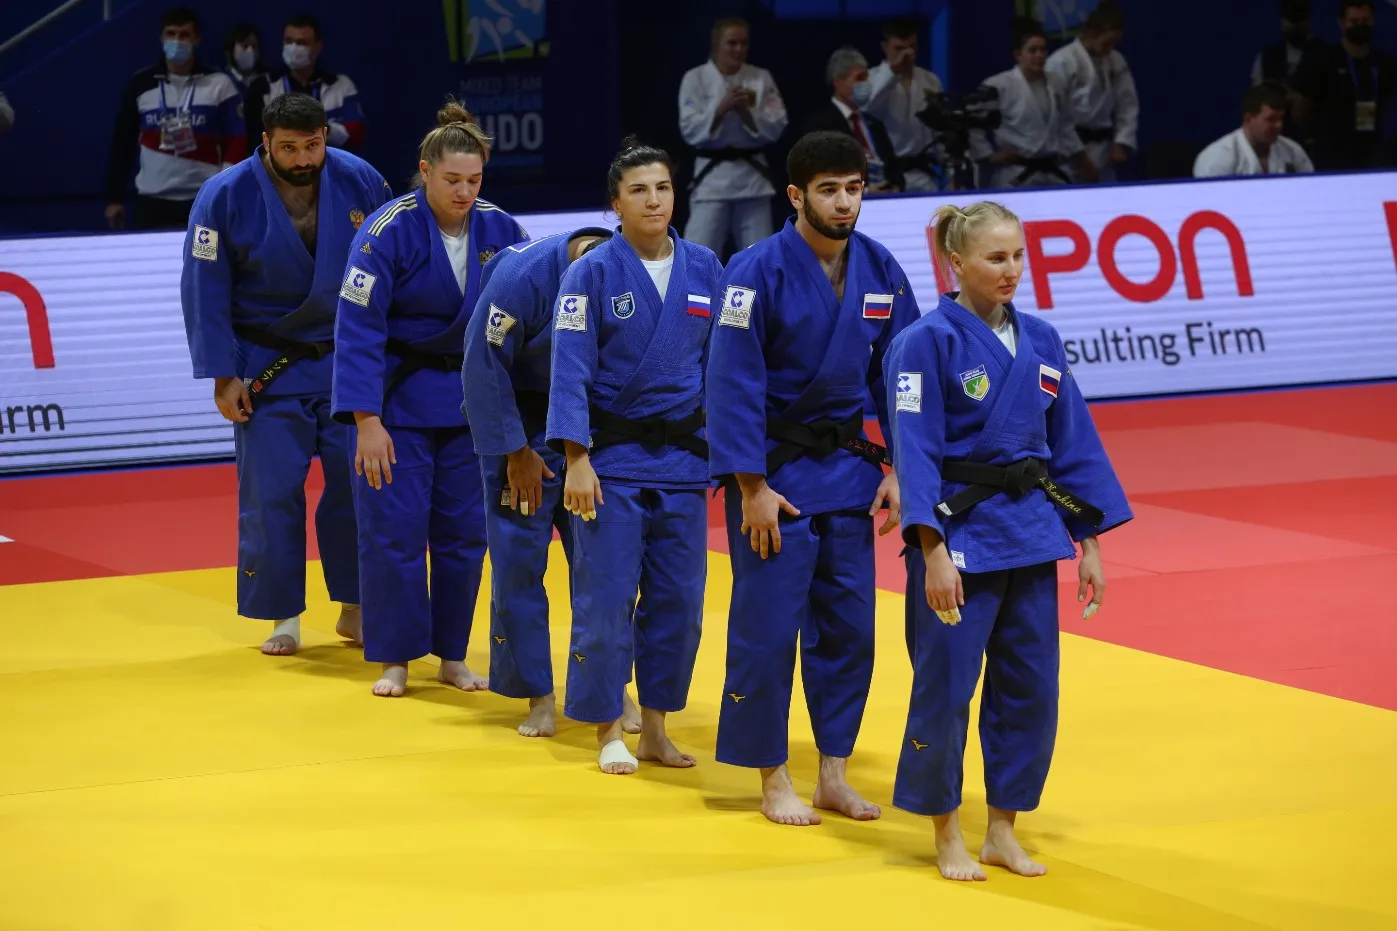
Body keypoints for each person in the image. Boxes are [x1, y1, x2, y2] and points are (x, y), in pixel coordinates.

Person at [884, 201, 1132, 881]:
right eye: (995, 257)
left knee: (1030, 690)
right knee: (946, 688)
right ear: (955, 262)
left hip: (1030, 531)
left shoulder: (1041, 338)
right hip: (958, 534)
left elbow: (1071, 441)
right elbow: (913, 449)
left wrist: (1089, 539)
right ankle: (945, 831)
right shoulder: (923, 342)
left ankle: (1001, 829)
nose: (1011, 269)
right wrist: (931, 548)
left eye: (1018, 255)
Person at [706, 130, 920, 825]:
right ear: (796, 196)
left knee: (848, 631)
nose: (844, 202)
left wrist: (903, 468)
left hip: (848, 476)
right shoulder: (752, 271)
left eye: (854, 188)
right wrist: (749, 486)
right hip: (776, 477)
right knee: (768, 630)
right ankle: (772, 776)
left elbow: (904, 378)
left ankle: (833, 772)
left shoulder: (881, 267)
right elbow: (731, 382)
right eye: (829, 190)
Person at [180, 92, 392, 655]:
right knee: (272, 492)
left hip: (346, 362)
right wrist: (221, 375)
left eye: (313, 146)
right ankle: (284, 615)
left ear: (326, 137)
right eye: (290, 148)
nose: (303, 158)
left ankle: (356, 607)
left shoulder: (362, 179)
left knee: (358, 486)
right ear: (266, 142)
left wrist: (389, 360)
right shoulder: (223, 195)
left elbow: (392, 268)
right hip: (265, 367)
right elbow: (204, 289)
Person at [331, 102, 529, 697]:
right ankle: (394, 656)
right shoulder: (385, 230)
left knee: (464, 535)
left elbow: (529, 313)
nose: (465, 192)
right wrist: (366, 421)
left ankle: (451, 656)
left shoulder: (503, 230)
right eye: (452, 180)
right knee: (393, 531)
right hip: (397, 403)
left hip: (471, 405)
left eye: (474, 180)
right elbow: (358, 329)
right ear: (424, 172)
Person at [545, 137, 724, 775]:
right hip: (611, 463)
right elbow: (569, 369)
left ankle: (655, 729)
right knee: (606, 601)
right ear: (615, 204)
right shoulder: (590, 273)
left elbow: (722, 368)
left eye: (663, 188)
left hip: (684, 462)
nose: (654, 200)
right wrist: (576, 458)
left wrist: (728, 456)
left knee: (679, 604)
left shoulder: (705, 267)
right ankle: (605, 729)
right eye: (639, 191)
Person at [461, 227, 647, 738]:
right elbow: (481, 366)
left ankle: (612, 687)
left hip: (597, 428)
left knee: (607, 568)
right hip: (523, 421)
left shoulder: (630, 271)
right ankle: (538, 694)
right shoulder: (521, 277)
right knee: (519, 565)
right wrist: (514, 451)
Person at [970, 18, 1090, 189]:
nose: (1039, 55)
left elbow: (1066, 125)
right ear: (1018, 54)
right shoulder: (999, 85)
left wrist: (1080, 158)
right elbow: (973, 123)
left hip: (1052, 169)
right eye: (1033, 50)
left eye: (1043, 50)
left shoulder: (1056, 82)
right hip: (1016, 172)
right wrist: (989, 155)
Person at [1044, 0, 1139, 183]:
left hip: (1103, 150)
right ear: (1092, 33)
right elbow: (1056, 114)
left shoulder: (1116, 60)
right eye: (1106, 43)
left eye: (1114, 44)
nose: (1109, 49)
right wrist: (1080, 158)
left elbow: (1128, 104)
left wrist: (1121, 142)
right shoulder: (1062, 62)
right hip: (1070, 151)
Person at [1194, 83, 1314, 177]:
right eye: (1271, 119)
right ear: (1248, 119)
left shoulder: (1292, 151)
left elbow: (1309, 188)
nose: (1279, 125)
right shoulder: (1217, 157)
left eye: (1280, 119)